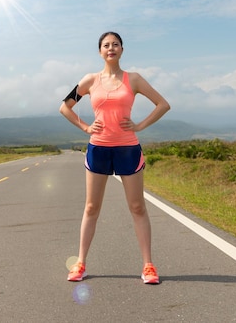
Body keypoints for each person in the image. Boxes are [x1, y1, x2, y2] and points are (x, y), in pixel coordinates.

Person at [59, 31, 170, 284]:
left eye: (115, 44)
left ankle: (148, 266)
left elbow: (163, 104)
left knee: (137, 207)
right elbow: (65, 106)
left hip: (128, 149)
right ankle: (80, 263)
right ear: (100, 51)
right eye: (106, 45)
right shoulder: (90, 80)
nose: (111, 48)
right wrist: (86, 127)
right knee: (91, 207)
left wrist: (139, 126)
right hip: (98, 148)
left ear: (122, 49)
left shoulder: (135, 80)